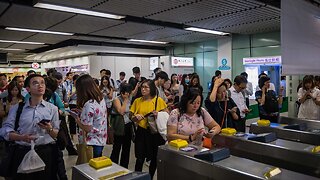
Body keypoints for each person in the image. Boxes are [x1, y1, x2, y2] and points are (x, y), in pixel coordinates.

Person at [1, 74, 60, 179]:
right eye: (35, 83)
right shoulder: (17, 108)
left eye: (42, 83)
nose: (40, 85)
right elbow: (5, 131)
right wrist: (22, 137)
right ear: (27, 89)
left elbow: (55, 134)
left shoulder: (53, 109)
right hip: (22, 152)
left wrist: (49, 128)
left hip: (45, 153)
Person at [129, 79, 167, 179]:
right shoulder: (137, 101)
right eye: (142, 87)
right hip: (141, 132)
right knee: (140, 157)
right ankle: (137, 177)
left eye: (146, 87)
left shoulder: (158, 100)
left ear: (151, 89)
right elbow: (131, 116)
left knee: (154, 157)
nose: (143, 89)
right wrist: (135, 117)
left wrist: (158, 114)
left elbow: (166, 114)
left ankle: (150, 177)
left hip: (154, 132)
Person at [72, 74, 108, 158]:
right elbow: (97, 115)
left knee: (91, 167)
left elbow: (87, 128)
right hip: (101, 138)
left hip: (92, 141)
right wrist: (82, 112)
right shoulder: (100, 98)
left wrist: (77, 120)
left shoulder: (88, 104)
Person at [110, 83, 133, 168]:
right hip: (119, 126)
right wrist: (126, 100)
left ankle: (124, 166)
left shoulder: (130, 98)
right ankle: (114, 166)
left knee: (126, 148)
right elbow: (121, 111)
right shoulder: (117, 99)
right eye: (125, 92)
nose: (127, 94)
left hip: (128, 125)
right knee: (117, 147)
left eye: (128, 92)